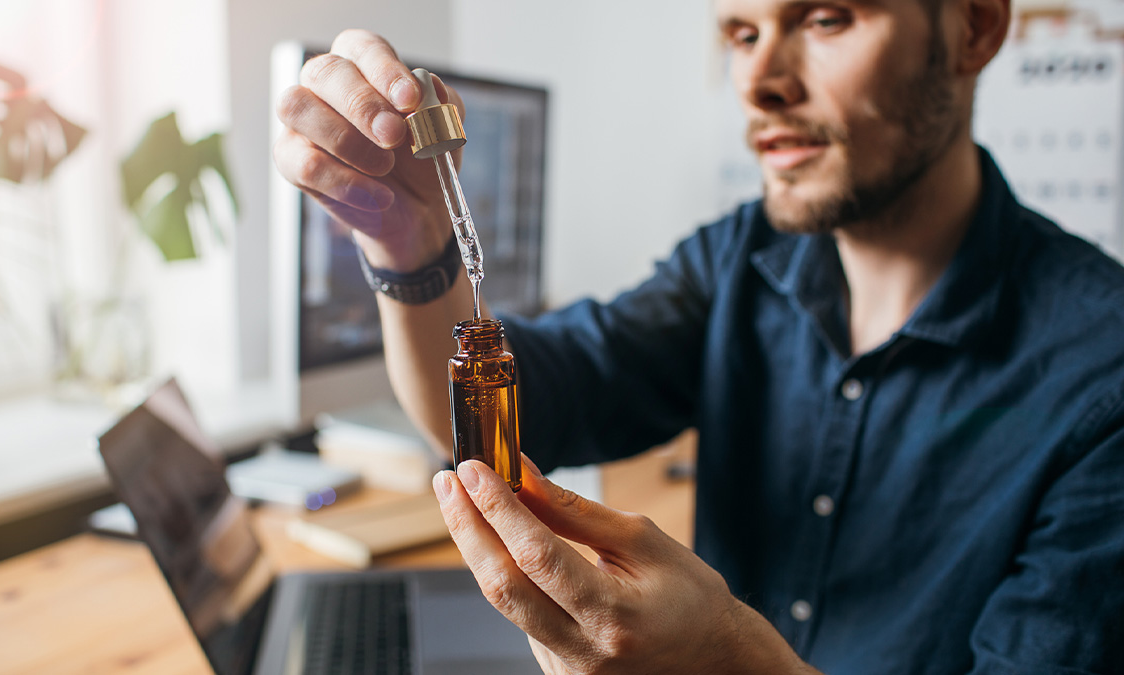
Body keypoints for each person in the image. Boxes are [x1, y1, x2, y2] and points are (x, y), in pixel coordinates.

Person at [273, 0, 1124, 671]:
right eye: (741, 32)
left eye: (826, 18)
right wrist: (410, 245)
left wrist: (724, 661)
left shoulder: (1101, 371)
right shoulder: (738, 260)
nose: (758, 81)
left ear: (973, 25)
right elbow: (529, 403)